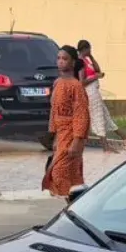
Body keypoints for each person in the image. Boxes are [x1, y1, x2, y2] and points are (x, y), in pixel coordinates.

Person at [42, 46, 91, 200]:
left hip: (72, 134)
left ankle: (75, 205)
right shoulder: (58, 83)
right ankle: (73, 206)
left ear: (73, 62)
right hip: (61, 133)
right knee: (63, 175)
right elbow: (54, 110)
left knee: (60, 172)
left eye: (65, 59)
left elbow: (81, 113)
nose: (61, 62)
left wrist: (77, 140)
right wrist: (54, 135)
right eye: (58, 58)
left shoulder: (76, 86)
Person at [76, 39, 123, 151]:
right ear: (85, 49)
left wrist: (91, 57)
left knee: (105, 115)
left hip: (95, 91)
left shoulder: (87, 60)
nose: (90, 51)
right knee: (98, 117)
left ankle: (121, 134)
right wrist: (95, 77)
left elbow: (98, 69)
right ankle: (105, 145)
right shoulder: (80, 62)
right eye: (89, 49)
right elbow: (82, 82)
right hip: (90, 92)